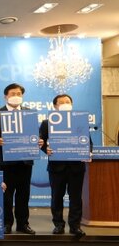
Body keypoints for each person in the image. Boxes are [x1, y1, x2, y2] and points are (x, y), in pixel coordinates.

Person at [39, 94, 91, 238]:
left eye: (68, 102)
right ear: (55, 106)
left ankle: (75, 226)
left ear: (72, 104)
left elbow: (88, 141)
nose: (65, 104)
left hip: (77, 166)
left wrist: (88, 152)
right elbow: (40, 141)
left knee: (75, 198)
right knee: (57, 197)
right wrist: (45, 150)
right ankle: (58, 225)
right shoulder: (47, 122)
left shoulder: (81, 121)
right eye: (61, 102)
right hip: (56, 167)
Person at [0, 83, 35, 234]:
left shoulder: (29, 113)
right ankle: (6, 223)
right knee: (6, 194)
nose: (16, 96)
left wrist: (38, 141)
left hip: (25, 161)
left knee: (24, 194)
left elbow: (35, 136)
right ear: (6, 96)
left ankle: (23, 224)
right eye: (12, 93)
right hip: (6, 160)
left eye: (19, 94)